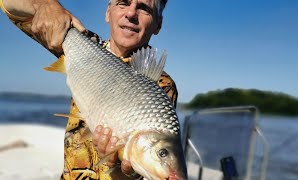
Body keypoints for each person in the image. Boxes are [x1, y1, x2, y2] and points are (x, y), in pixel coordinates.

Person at [1, 0, 178, 179]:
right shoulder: (82, 43)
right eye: (123, 3)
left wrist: (116, 169)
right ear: (108, 12)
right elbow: (9, 5)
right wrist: (44, 5)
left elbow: (143, 169)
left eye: (144, 8)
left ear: (158, 24)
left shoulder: (162, 86)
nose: (131, 14)